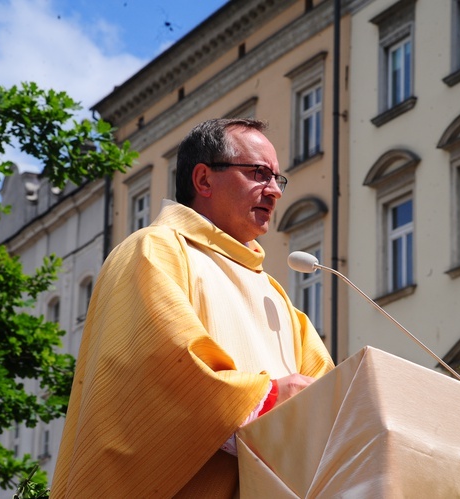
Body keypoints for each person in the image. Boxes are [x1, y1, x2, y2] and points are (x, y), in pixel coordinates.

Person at [50, 118, 334, 498]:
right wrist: (268, 399)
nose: (274, 191)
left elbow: (330, 398)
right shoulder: (154, 250)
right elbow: (161, 372)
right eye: (259, 173)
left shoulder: (275, 295)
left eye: (277, 179)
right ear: (203, 180)